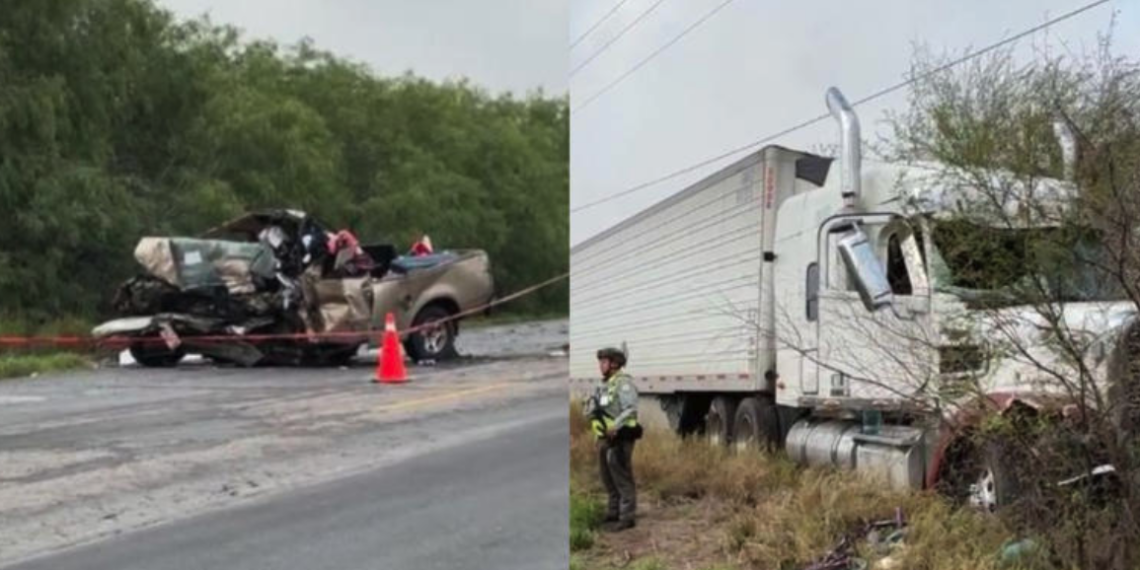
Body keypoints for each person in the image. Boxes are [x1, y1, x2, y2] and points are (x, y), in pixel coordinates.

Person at [587, 347, 642, 531]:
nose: (600, 366)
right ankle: (613, 512)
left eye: (604, 362)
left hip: (621, 437)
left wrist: (615, 426)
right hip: (604, 438)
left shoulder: (624, 383)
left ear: (614, 364)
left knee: (621, 475)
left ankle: (627, 517)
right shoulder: (603, 385)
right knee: (606, 475)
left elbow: (630, 410)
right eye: (600, 362)